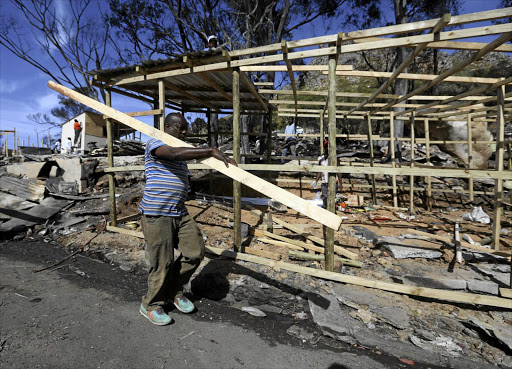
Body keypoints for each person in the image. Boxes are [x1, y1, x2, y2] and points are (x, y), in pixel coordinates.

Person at [138, 112, 237, 326]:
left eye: (185, 129)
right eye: (179, 127)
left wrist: (226, 163)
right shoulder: (156, 142)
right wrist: (211, 149)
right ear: (167, 126)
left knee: (194, 251)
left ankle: (174, 291)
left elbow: (183, 168)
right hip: (157, 213)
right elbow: (173, 154)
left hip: (178, 211)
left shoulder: (181, 155)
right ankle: (151, 305)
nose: (184, 132)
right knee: (161, 262)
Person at [313, 139, 343, 208]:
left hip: (333, 182)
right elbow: (319, 170)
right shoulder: (321, 158)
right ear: (325, 148)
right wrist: (316, 180)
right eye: (327, 147)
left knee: (332, 199)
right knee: (325, 197)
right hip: (324, 182)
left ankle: (331, 212)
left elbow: (338, 171)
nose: (329, 149)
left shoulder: (335, 158)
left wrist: (340, 183)